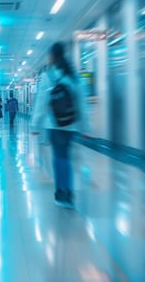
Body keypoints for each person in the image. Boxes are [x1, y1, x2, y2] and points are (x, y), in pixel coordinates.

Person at [31, 42, 88, 209]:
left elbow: (41, 103)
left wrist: (36, 125)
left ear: (52, 57)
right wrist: (86, 127)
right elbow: (82, 102)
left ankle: (60, 191)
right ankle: (69, 192)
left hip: (53, 125)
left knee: (58, 157)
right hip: (70, 124)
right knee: (67, 158)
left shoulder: (47, 76)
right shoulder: (73, 75)